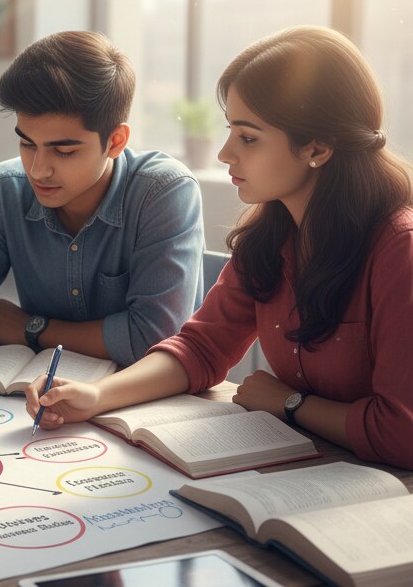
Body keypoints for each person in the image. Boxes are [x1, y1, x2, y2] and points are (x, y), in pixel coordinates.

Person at [26, 26, 413, 470]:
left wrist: (290, 403)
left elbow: (402, 431)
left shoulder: (398, 250)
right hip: (310, 465)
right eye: (231, 131)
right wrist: (95, 396)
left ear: (318, 148)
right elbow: (201, 349)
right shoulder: (270, 234)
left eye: (248, 138)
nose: (225, 153)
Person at [0, 31, 205, 426]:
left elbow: (153, 337)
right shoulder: (5, 188)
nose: (38, 169)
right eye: (27, 144)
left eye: (64, 151)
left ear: (116, 140)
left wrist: (33, 329)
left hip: (148, 411)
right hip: (39, 410)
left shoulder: (163, 192)